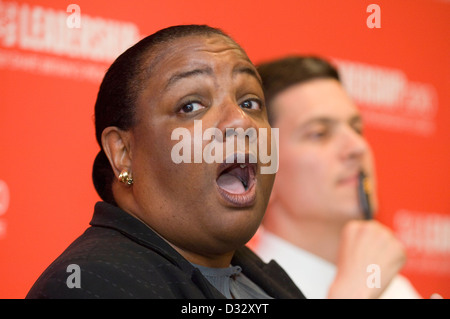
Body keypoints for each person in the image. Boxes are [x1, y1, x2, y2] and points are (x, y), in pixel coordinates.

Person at [26, 25, 305, 299]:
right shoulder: (87, 286)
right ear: (124, 153)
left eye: (250, 103)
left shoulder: (257, 275)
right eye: (190, 106)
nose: (240, 120)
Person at [252, 56, 422, 299]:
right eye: (319, 133)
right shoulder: (237, 294)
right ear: (261, 170)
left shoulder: (396, 288)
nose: (357, 147)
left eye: (356, 128)